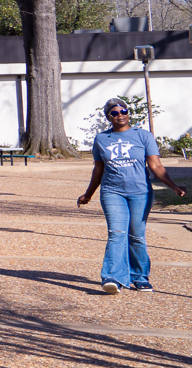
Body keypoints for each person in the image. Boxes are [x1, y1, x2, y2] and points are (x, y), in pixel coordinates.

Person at [77, 97, 186, 295]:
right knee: (116, 234)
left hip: (140, 193)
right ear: (108, 117)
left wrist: (173, 186)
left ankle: (140, 277)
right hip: (112, 192)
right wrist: (88, 194)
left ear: (128, 113)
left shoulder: (143, 136)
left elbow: (156, 165)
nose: (120, 115)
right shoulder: (101, 139)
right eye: (114, 113)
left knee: (136, 236)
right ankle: (112, 277)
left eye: (123, 111)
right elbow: (98, 170)